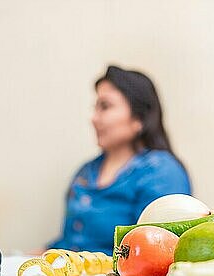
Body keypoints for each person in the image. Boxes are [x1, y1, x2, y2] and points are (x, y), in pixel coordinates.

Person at [46, 65, 191, 255]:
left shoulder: (162, 172)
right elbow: (66, 244)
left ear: (139, 118)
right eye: (95, 107)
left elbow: (157, 253)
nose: (93, 118)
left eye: (105, 107)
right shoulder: (86, 171)